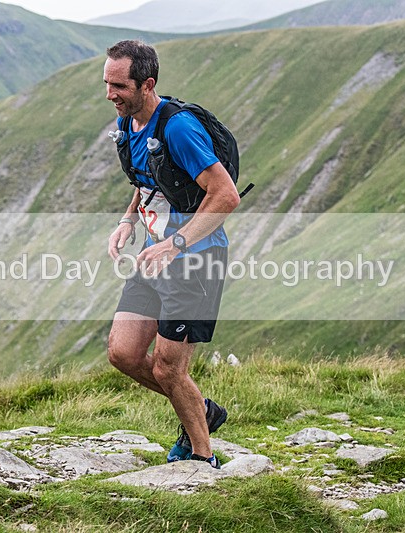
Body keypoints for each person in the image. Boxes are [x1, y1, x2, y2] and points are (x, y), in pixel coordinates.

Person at [103, 40, 241, 468]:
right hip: (154, 255)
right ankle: (203, 408)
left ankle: (202, 457)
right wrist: (128, 220)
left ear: (147, 84)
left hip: (195, 261)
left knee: (167, 368)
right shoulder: (129, 123)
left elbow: (226, 195)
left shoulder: (178, 128)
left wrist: (177, 242)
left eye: (119, 86)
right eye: (106, 84)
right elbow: (150, 181)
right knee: (123, 353)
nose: (110, 94)